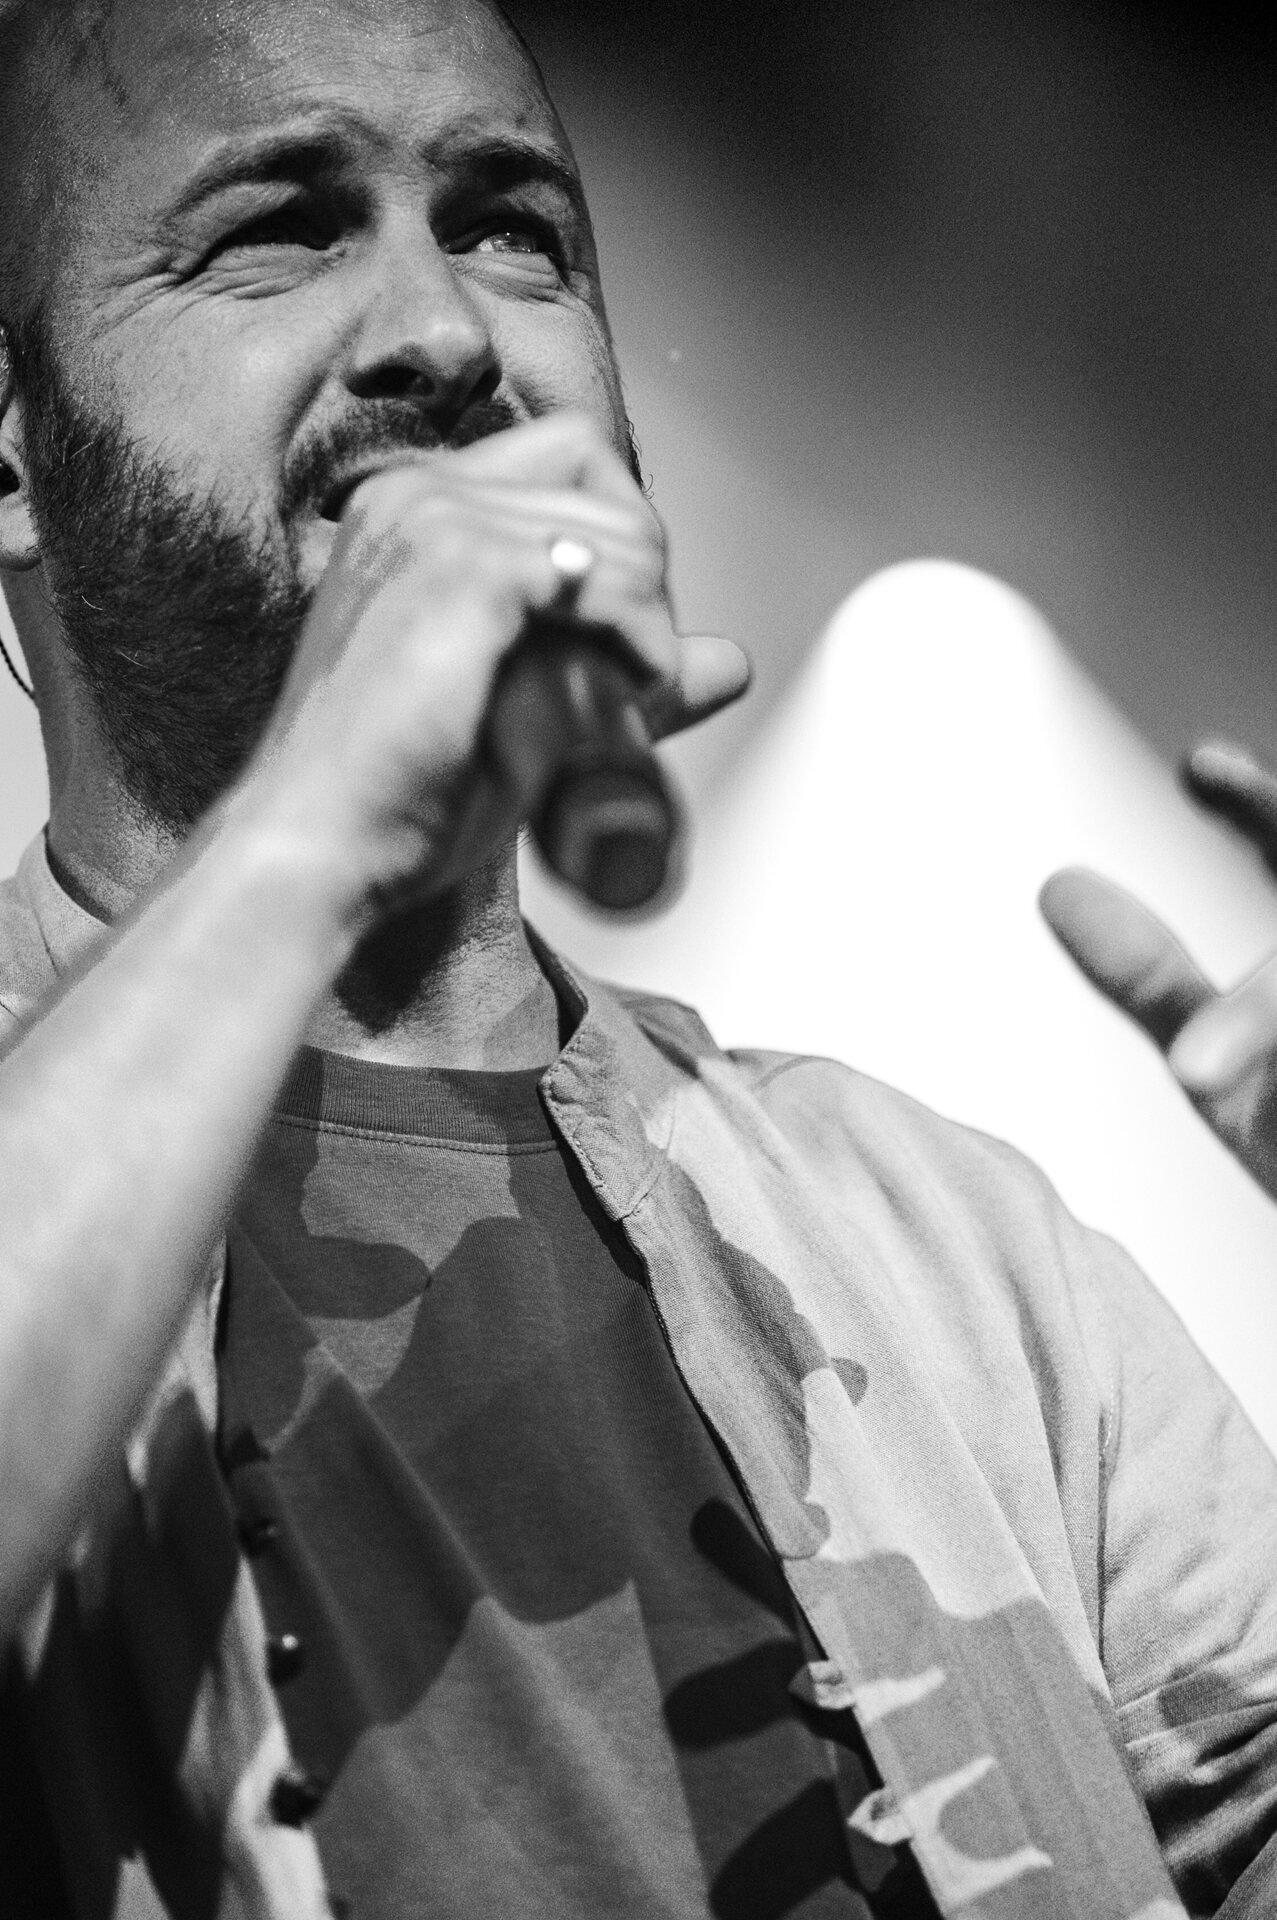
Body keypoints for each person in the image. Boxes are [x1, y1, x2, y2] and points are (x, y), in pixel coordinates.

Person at [0, 0, 1275, 1915]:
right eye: (279, 226)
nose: (445, 335)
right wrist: (319, 818)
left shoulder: (967, 1252)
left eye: (511, 230)